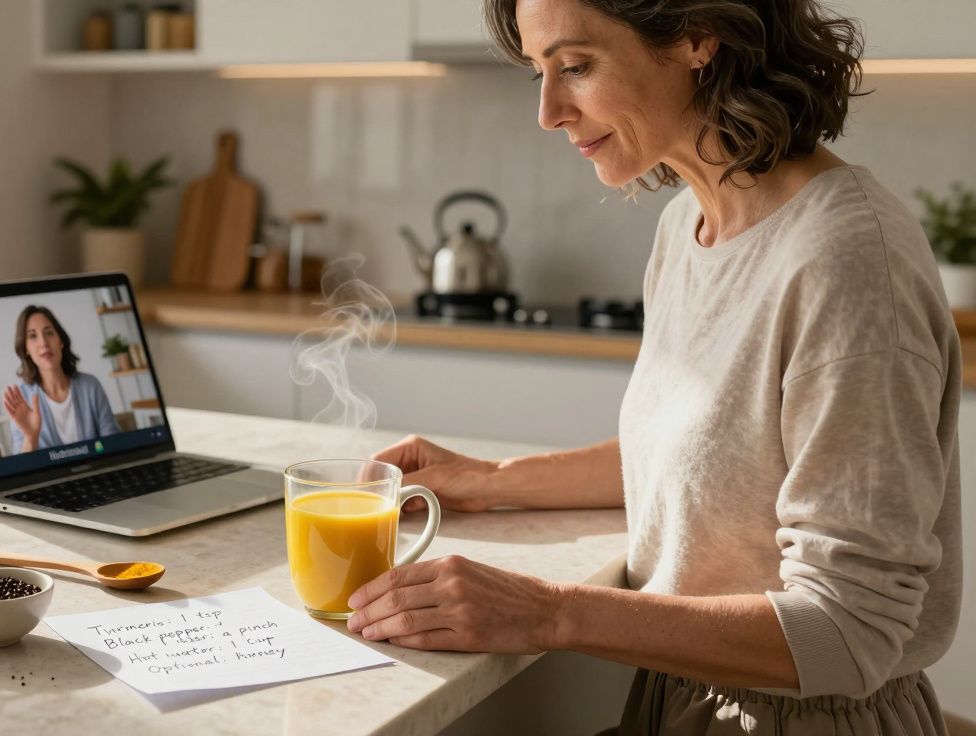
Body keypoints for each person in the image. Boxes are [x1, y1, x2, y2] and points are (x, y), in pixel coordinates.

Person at [345, 0, 962, 733]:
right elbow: (720, 456)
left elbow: (850, 629)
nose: (547, 111)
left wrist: (546, 612)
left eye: (575, 66)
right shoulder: (688, 226)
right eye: (540, 71)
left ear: (699, 37)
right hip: (685, 701)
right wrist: (491, 480)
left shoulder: (847, 259)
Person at [2, 305, 121, 454]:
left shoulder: (91, 386)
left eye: (49, 333)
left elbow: (115, 444)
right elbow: (20, 468)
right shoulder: (22, 399)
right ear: (26, 349)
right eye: (33, 336)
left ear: (61, 341)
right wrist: (31, 438)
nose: (44, 343)